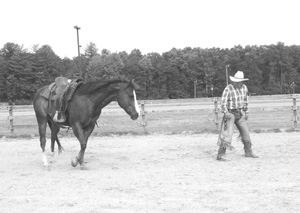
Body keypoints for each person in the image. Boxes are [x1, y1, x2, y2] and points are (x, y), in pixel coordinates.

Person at [216, 71, 259, 161]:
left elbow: (245, 101)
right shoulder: (228, 88)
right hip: (230, 113)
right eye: (236, 81)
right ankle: (221, 154)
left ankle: (248, 151)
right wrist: (225, 112)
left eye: (239, 81)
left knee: (245, 132)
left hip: (239, 113)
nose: (237, 83)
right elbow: (223, 102)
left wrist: (246, 111)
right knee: (227, 133)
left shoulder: (244, 88)